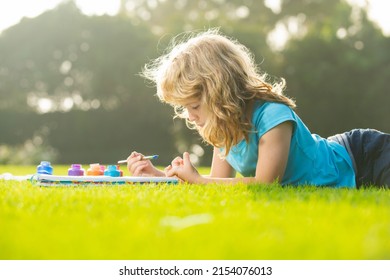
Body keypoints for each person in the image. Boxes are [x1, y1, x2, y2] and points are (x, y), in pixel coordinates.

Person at [126, 29, 390, 188]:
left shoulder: (273, 118)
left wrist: (199, 179)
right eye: (184, 108)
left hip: (363, 156)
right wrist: (160, 176)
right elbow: (217, 185)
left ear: (220, 93)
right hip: (346, 163)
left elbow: (266, 184)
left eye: (194, 105)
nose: (190, 116)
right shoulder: (223, 128)